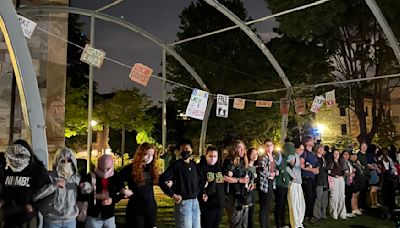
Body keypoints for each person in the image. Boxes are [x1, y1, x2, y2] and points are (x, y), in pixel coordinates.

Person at [0, 139, 51, 228]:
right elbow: (3, 187)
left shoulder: (37, 170)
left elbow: (49, 192)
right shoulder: (6, 169)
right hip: (8, 217)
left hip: (27, 218)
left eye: (20, 155)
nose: (17, 158)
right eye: (14, 155)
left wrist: (34, 207)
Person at [159, 139, 203, 228]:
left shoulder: (194, 165)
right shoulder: (176, 165)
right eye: (182, 150)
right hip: (183, 203)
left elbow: (201, 179)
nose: (185, 151)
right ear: (179, 152)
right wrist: (172, 194)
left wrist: (201, 192)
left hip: (195, 202)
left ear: (191, 150)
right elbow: (162, 180)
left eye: (187, 149)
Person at [34, 147, 81, 228]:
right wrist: (53, 185)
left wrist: (87, 187)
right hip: (52, 221)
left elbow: (86, 195)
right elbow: (37, 196)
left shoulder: (77, 178)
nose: (66, 163)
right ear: (57, 162)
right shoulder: (49, 177)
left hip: (71, 220)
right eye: (62, 161)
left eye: (69, 160)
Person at [119, 143, 159, 228]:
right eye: (146, 154)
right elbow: (116, 181)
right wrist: (123, 190)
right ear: (141, 154)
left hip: (150, 207)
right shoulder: (130, 169)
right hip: (135, 208)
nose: (149, 158)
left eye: (151, 155)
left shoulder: (151, 169)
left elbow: (161, 180)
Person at [81, 154, 123, 228]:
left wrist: (112, 200)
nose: (104, 171)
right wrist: (95, 196)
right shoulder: (89, 176)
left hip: (109, 215)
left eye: (107, 169)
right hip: (93, 215)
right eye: (102, 168)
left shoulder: (116, 176)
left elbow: (122, 192)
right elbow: (81, 195)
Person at [223, 140, 251, 228]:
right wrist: (239, 180)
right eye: (239, 148)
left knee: (244, 223)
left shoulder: (244, 160)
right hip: (233, 195)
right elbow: (223, 177)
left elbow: (246, 175)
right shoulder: (228, 160)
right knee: (235, 222)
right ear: (234, 149)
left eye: (243, 148)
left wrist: (250, 183)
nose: (242, 150)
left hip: (244, 194)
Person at [199, 146, 225, 228]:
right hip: (208, 205)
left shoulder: (218, 167)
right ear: (206, 155)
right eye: (210, 156)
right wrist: (203, 193)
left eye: (215, 156)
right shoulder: (201, 168)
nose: (213, 158)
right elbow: (198, 184)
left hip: (220, 204)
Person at [258, 139, 278, 228]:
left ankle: (267, 225)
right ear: (264, 147)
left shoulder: (273, 157)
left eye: (271, 145)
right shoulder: (263, 157)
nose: (269, 147)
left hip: (271, 183)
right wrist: (271, 174)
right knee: (264, 207)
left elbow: (274, 169)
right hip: (264, 184)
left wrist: (276, 172)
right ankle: (264, 225)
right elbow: (262, 170)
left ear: (273, 147)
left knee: (268, 207)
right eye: (267, 145)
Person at [300, 136, 319, 224]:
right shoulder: (304, 153)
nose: (313, 142)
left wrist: (314, 170)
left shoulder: (313, 155)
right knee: (309, 197)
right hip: (306, 178)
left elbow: (317, 169)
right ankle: (306, 217)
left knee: (313, 196)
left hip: (313, 178)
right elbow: (302, 165)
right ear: (307, 143)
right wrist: (312, 170)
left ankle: (310, 216)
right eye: (311, 141)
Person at [287, 143, 305, 228]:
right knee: (294, 204)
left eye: (303, 149)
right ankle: (295, 224)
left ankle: (299, 223)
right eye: (300, 149)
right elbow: (286, 166)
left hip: (298, 183)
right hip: (293, 183)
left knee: (300, 204)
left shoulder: (298, 156)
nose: (301, 151)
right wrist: (292, 176)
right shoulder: (292, 156)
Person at [274, 143, 291, 228]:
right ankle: (278, 224)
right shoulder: (278, 155)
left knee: (283, 204)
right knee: (279, 204)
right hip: (279, 183)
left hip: (285, 184)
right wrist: (280, 170)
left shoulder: (286, 157)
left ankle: (283, 223)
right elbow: (274, 165)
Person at [327, 149, 348, 220]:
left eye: (337, 154)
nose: (336, 155)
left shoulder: (341, 162)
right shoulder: (331, 162)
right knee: (334, 197)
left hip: (340, 179)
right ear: (332, 154)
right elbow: (328, 171)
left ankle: (342, 213)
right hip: (334, 179)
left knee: (342, 196)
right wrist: (334, 175)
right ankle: (334, 213)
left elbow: (344, 171)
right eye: (335, 154)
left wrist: (344, 173)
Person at [313, 144, 328, 221]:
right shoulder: (315, 158)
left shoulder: (323, 159)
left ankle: (323, 214)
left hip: (325, 181)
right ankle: (316, 215)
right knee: (318, 199)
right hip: (318, 181)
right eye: (320, 148)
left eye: (322, 149)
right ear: (317, 149)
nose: (322, 150)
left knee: (324, 200)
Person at [342, 150, 356, 218]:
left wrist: (353, 171)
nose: (346, 156)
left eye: (348, 154)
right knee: (347, 196)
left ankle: (349, 210)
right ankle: (347, 211)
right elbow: (343, 172)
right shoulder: (342, 162)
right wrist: (350, 174)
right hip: (345, 181)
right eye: (345, 154)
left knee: (349, 196)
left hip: (350, 181)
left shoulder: (349, 162)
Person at [246, 148, 258, 228]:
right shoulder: (246, 167)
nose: (255, 155)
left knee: (251, 212)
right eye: (253, 153)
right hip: (246, 192)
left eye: (256, 154)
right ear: (249, 155)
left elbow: (256, 182)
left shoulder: (256, 168)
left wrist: (255, 185)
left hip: (253, 192)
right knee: (246, 213)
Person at [357, 142, 369, 210]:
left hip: (366, 175)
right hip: (361, 176)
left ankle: (364, 205)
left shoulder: (366, 155)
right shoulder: (359, 155)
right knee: (361, 191)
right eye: (362, 146)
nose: (364, 147)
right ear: (360, 147)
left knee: (364, 192)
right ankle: (360, 206)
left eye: (365, 146)